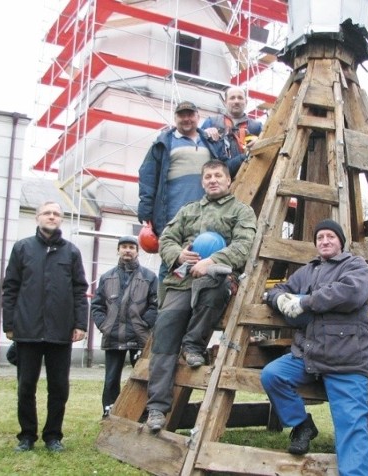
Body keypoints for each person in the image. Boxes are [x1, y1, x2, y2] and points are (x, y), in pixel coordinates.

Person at [145, 160, 256, 432]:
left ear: (229, 181)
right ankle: (157, 409)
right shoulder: (188, 210)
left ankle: (194, 344)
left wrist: (213, 260)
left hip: (216, 278)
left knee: (215, 289)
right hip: (180, 282)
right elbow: (167, 238)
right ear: (202, 181)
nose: (213, 180)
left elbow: (244, 245)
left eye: (218, 175)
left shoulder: (241, 212)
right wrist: (178, 254)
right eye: (207, 176)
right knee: (165, 336)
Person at [260, 219, 368, 476]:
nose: (325, 241)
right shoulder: (306, 271)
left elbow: (351, 293)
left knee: (351, 426)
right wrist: (279, 299)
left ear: (340, 242)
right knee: (272, 375)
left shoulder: (354, 265)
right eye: (320, 237)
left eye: (330, 237)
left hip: (346, 358)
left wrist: (306, 302)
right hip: (307, 353)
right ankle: (302, 424)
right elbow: (279, 288)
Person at [2, 201, 89, 453]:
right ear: (38, 217)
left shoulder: (71, 252)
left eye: (56, 214)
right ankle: (27, 436)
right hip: (26, 330)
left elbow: (79, 290)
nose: (52, 217)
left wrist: (80, 324)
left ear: (61, 220)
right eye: (47, 213)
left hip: (60, 332)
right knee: (26, 386)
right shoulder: (22, 248)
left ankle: (53, 436)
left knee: (59, 387)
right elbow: (10, 288)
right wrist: (10, 324)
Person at [138, 100, 233, 240]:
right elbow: (148, 177)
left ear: (198, 117)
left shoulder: (210, 142)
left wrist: (247, 155)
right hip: (172, 216)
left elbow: (226, 167)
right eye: (182, 116)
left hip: (206, 215)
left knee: (203, 256)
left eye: (190, 115)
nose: (187, 119)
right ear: (175, 119)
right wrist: (145, 210)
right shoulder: (163, 144)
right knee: (173, 258)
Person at [91, 235, 158, 419]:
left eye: (131, 247)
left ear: (137, 251)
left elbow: (156, 304)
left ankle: (143, 412)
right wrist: (105, 325)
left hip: (139, 336)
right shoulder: (107, 277)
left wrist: (144, 323)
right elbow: (97, 305)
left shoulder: (150, 277)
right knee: (111, 378)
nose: (127, 250)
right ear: (118, 250)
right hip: (113, 336)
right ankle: (109, 411)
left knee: (143, 377)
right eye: (124, 247)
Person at [202, 86, 263, 173]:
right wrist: (204, 134)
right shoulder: (212, 122)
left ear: (246, 102)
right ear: (225, 102)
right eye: (232, 98)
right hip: (218, 178)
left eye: (240, 98)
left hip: (248, 176)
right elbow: (198, 148)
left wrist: (260, 142)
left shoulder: (256, 126)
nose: (236, 101)